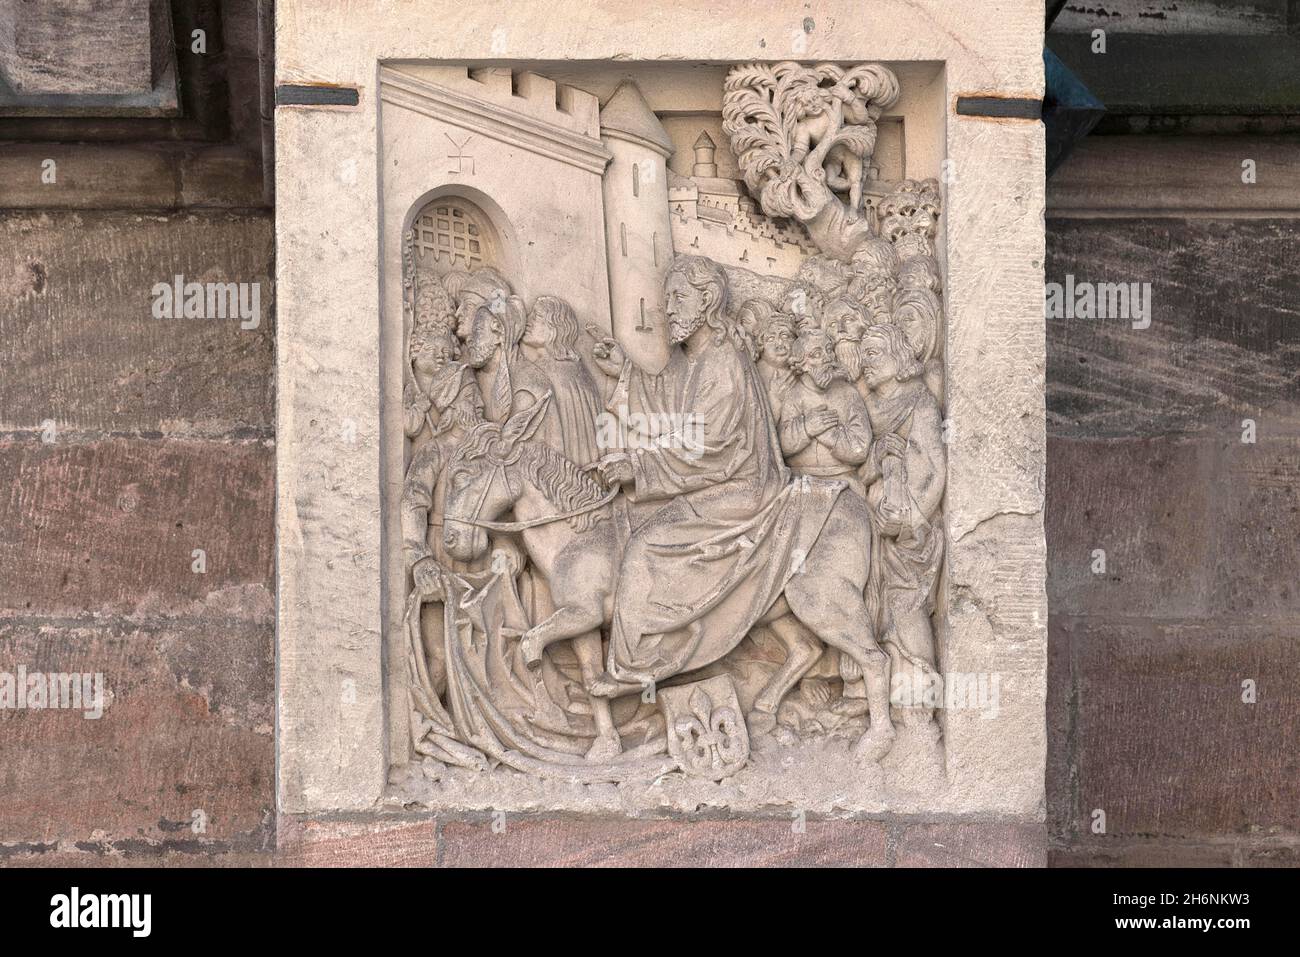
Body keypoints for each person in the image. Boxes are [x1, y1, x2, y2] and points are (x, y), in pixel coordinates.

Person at [585, 256, 845, 692]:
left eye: (677, 298)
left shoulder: (723, 359)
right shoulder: (697, 357)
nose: (667, 310)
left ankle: (637, 667)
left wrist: (640, 465)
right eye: (666, 299)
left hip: (743, 488)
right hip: (720, 482)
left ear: (706, 300)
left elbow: (709, 444)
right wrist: (626, 372)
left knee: (646, 546)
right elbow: (668, 400)